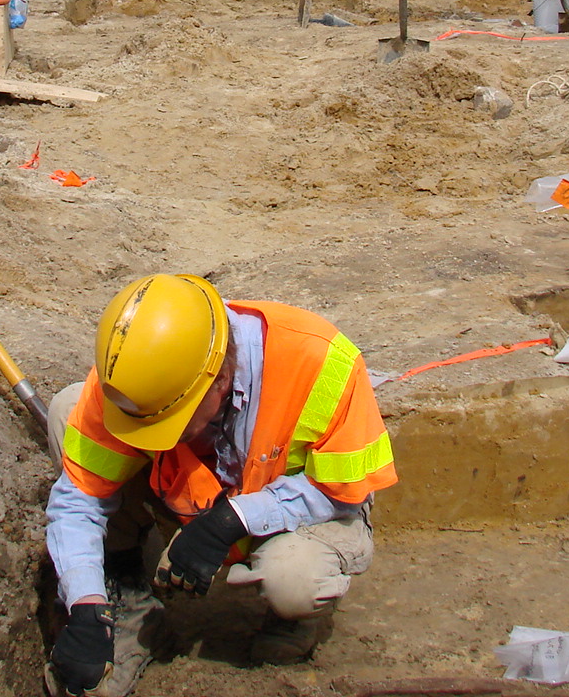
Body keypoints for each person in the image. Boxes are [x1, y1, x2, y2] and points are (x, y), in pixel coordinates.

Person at [44, 274, 396, 697]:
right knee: (70, 409)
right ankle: (128, 600)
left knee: (294, 579)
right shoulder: (135, 373)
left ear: (222, 379)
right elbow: (80, 498)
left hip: (301, 512)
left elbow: (342, 488)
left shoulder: (322, 362)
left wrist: (234, 519)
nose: (159, 439)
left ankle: (296, 620)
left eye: (171, 425)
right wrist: (84, 602)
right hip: (189, 499)